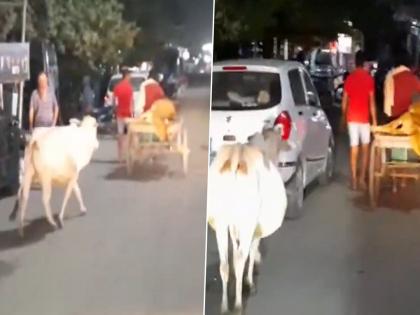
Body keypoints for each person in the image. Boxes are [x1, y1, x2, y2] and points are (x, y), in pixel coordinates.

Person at [341, 50, 377, 190]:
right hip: (364, 119)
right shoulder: (369, 79)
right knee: (365, 148)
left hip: (352, 118)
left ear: (356, 62)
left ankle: (354, 180)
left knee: (354, 148)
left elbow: (344, 102)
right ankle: (362, 179)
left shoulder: (349, 78)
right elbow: (372, 102)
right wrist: (374, 121)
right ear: (364, 63)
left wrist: (343, 119)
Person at [383, 51, 420, 120]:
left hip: (391, 116)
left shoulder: (389, 76)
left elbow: (387, 98)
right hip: (407, 118)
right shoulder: (413, 79)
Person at [113, 68, 134, 163]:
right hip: (128, 115)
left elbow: (114, 102)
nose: (131, 77)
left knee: (120, 135)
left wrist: (115, 110)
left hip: (119, 114)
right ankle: (127, 155)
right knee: (128, 135)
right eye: (130, 75)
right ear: (126, 76)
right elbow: (131, 102)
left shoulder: (117, 87)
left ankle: (120, 156)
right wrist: (132, 113)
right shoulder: (129, 87)